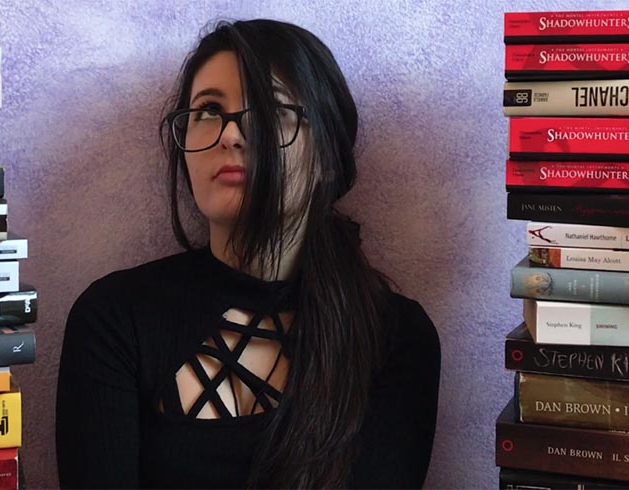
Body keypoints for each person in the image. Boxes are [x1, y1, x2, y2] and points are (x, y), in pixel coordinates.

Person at [56, 19, 441, 489]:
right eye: (207, 110)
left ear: (327, 157)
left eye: (271, 110)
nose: (230, 135)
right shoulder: (113, 319)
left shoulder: (395, 338)